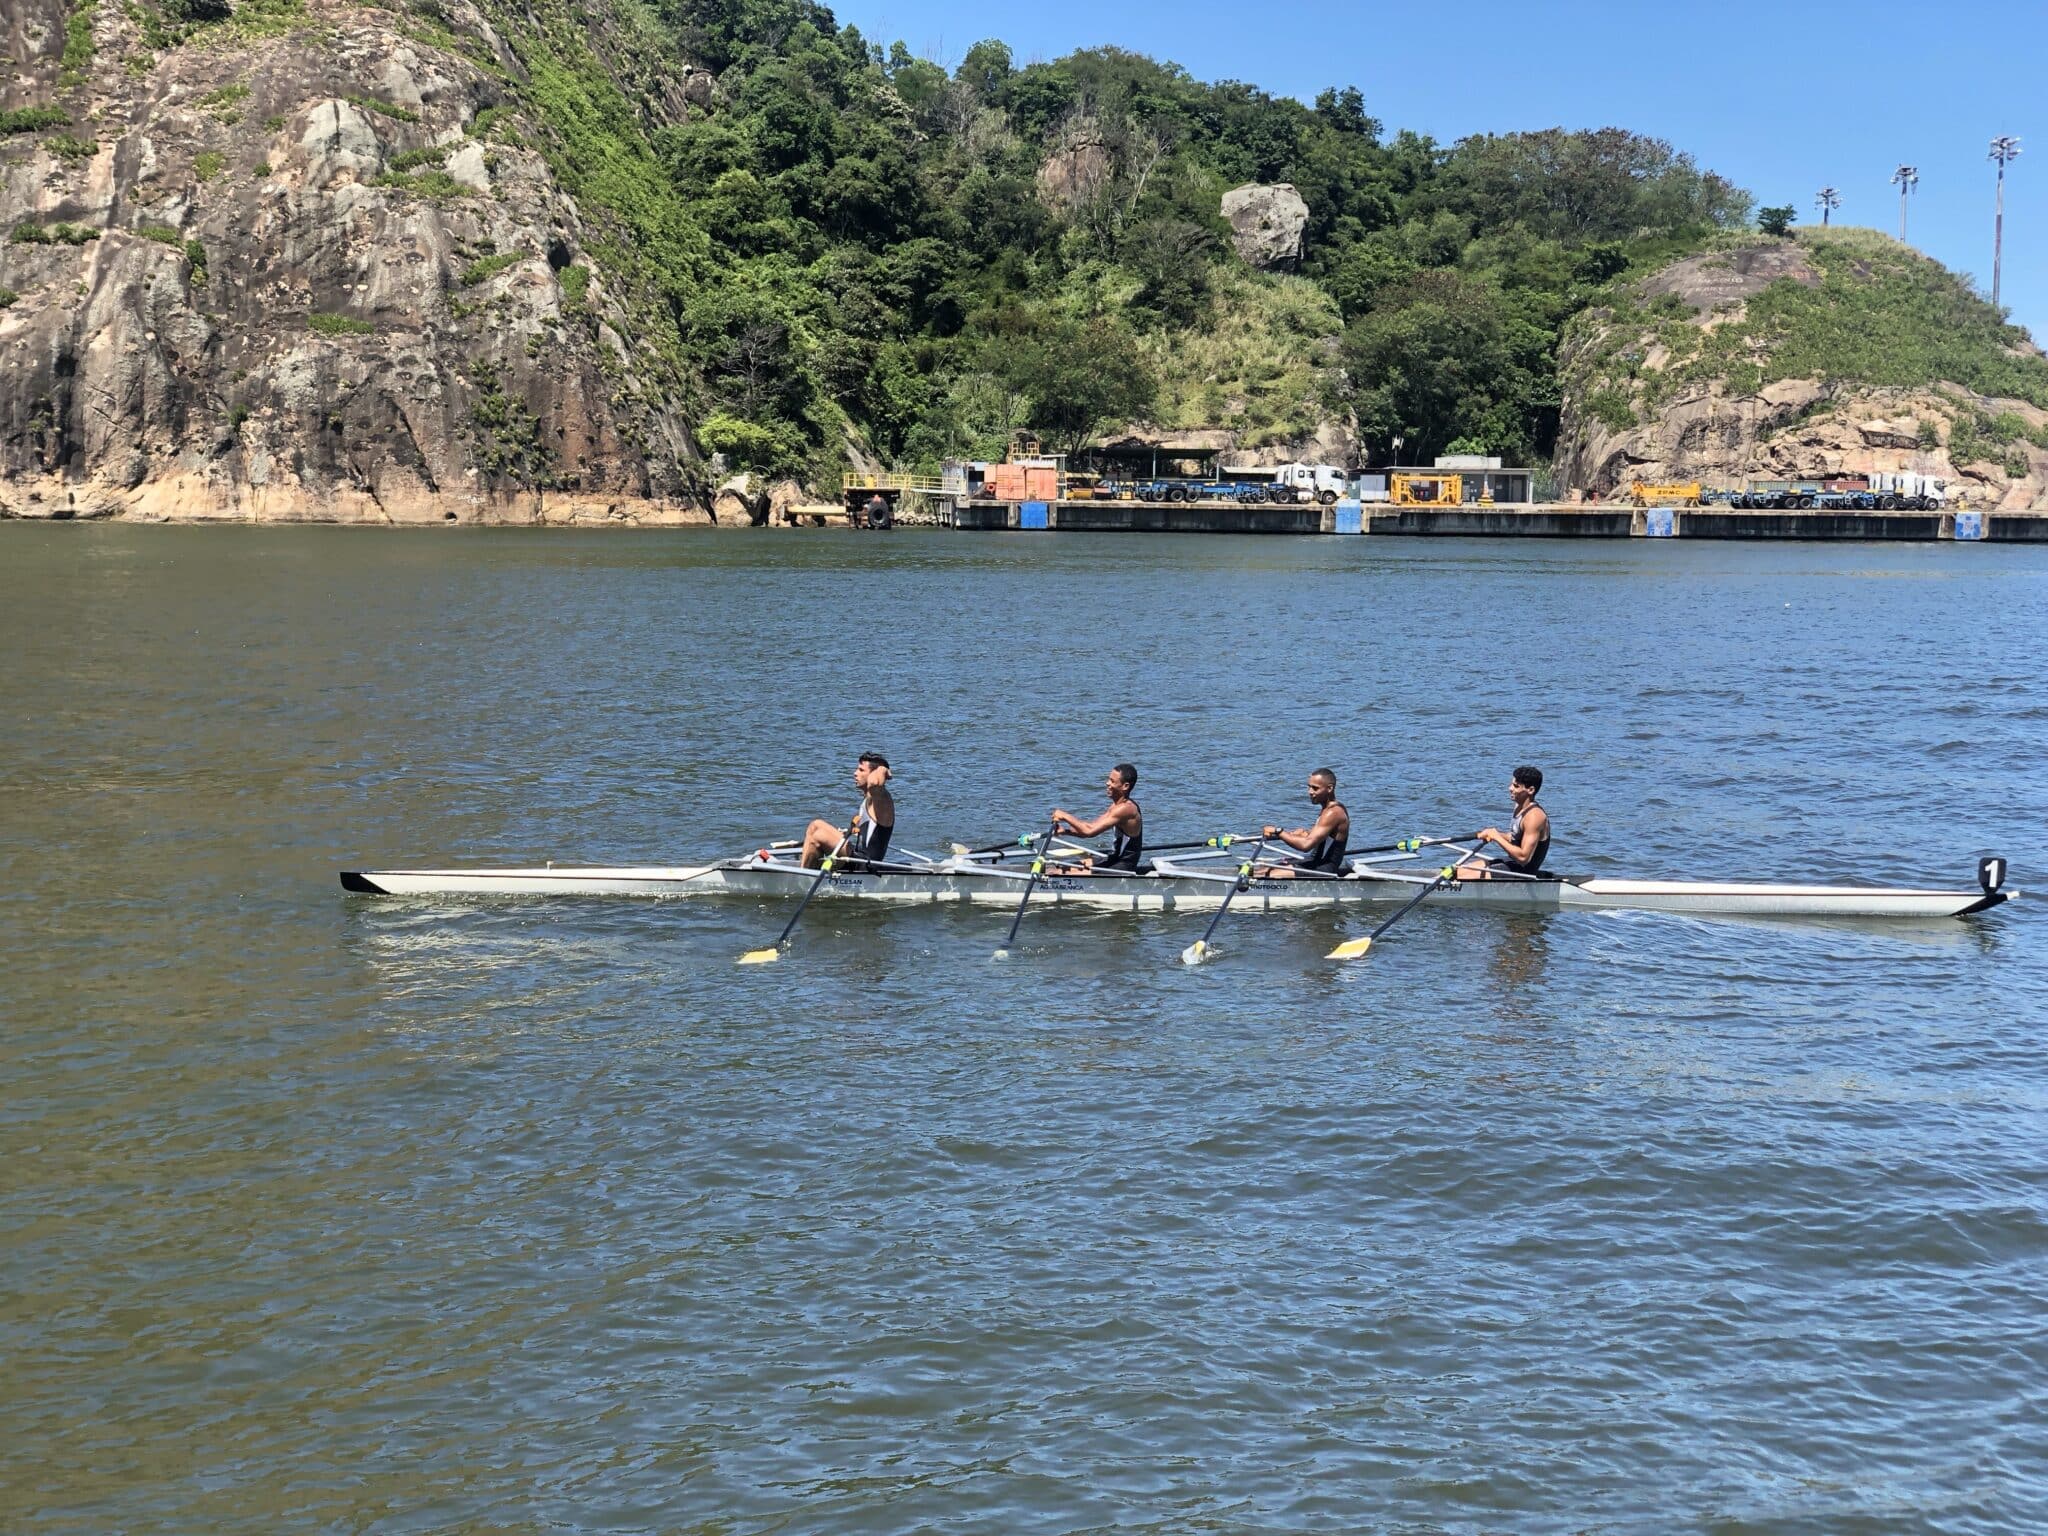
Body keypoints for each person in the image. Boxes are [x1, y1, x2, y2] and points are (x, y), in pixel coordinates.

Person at [800, 751, 894, 868]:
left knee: (816, 828)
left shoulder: (882, 799)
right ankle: (808, 869)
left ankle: (802, 879)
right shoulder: (868, 799)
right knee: (815, 832)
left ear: (873, 773)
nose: (855, 773)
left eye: (861, 770)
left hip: (866, 865)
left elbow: (874, 783)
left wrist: (883, 769)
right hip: (857, 858)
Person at [1458, 764, 1550, 879]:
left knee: (1462, 877)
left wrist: (1497, 837)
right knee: (1457, 871)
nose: (1510, 788)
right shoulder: (1519, 806)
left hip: (1524, 871)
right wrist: (1492, 833)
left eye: (1516, 786)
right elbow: (1515, 837)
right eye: (1512, 784)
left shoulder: (1534, 817)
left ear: (1530, 790)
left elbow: (1523, 858)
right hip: (1512, 863)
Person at [1049, 763, 1144, 872]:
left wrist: (1065, 816)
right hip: (1114, 858)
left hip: (1123, 865)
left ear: (1125, 786)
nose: (1107, 783)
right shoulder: (1117, 806)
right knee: (1061, 867)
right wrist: (1065, 831)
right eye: (1109, 779)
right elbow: (1091, 826)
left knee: (1059, 873)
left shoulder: (1126, 809)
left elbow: (1089, 832)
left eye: (1112, 781)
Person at [1257, 767, 1349, 878]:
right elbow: (1322, 837)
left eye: (1315, 788)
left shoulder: (1333, 813)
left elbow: (1306, 845)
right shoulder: (1328, 809)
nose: (1310, 792)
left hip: (1323, 868)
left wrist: (1279, 832)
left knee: (1267, 875)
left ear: (1329, 788)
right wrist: (1305, 833)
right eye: (1309, 787)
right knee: (1263, 869)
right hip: (1314, 861)